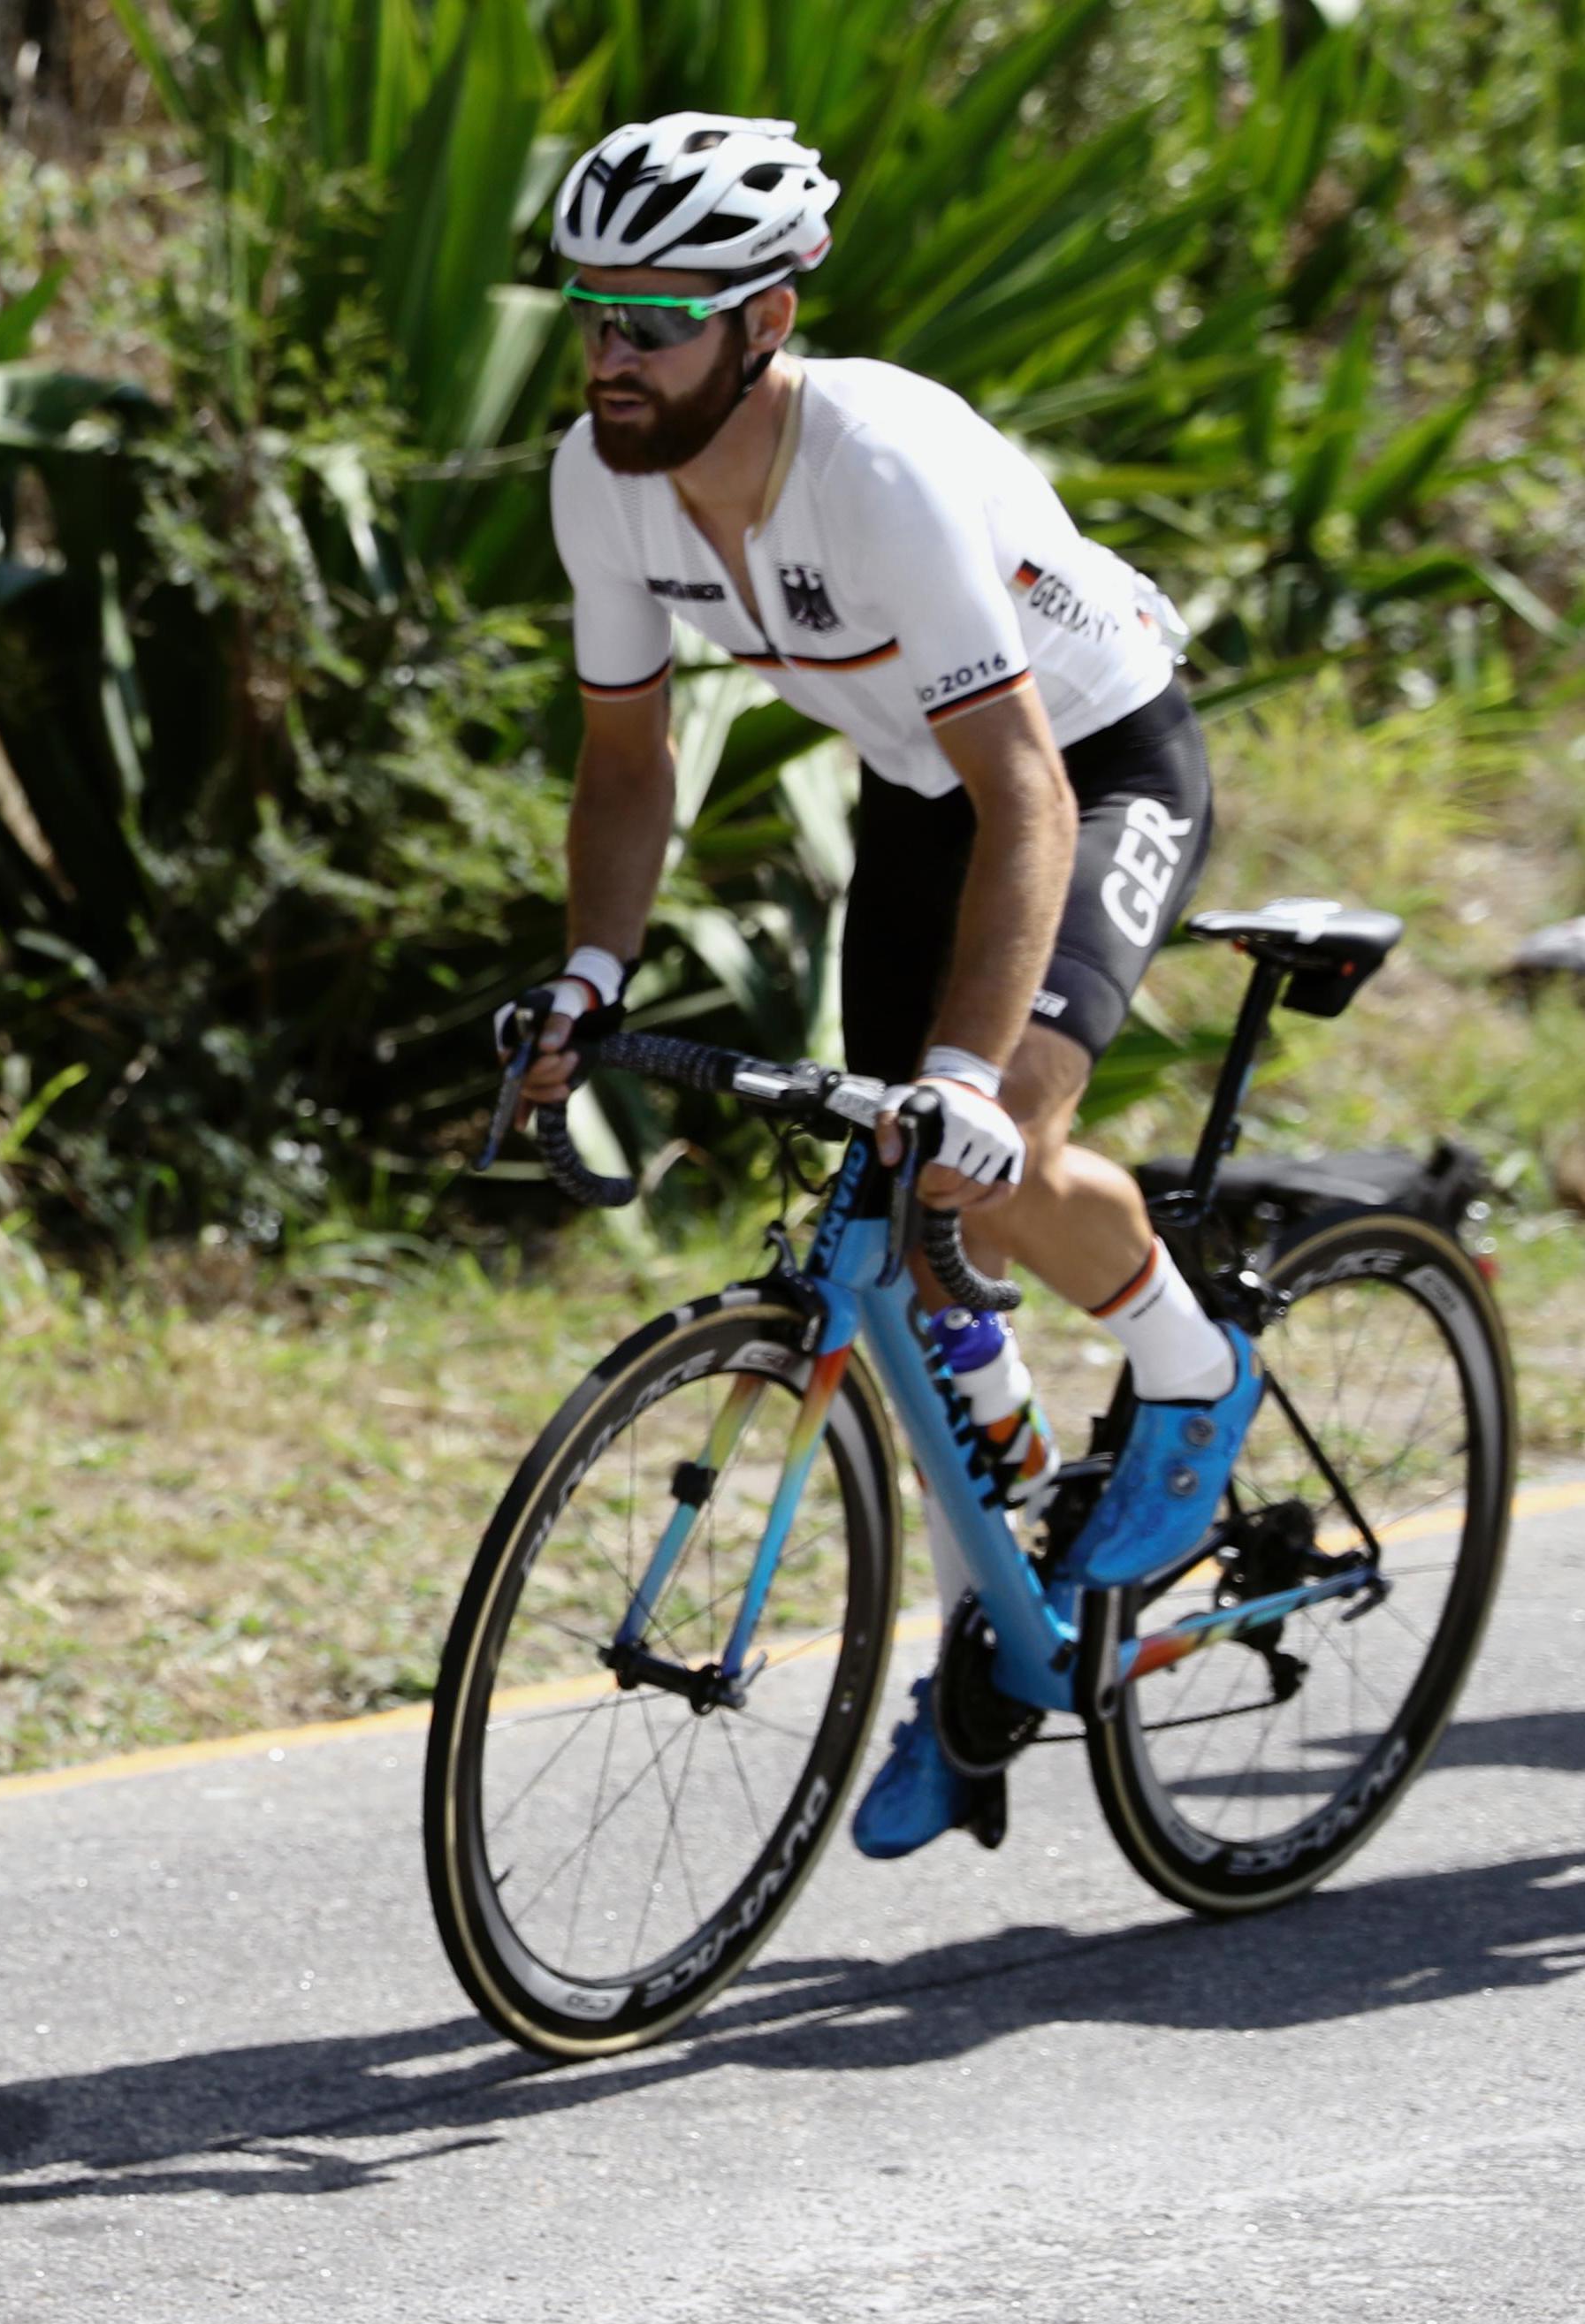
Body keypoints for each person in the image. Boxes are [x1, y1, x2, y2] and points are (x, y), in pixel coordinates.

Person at [505, 116, 1258, 1857]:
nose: (608, 357)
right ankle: (1009, 1611)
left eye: (650, 320)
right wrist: (585, 976)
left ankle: (1183, 1370)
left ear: (761, 320)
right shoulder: (595, 478)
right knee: (897, 1237)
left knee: (977, 1154)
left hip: (1088, 764)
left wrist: (976, 1080)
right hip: (919, 798)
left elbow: (1028, 793)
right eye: (588, 315)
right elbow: (625, 763)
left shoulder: (878, 466)